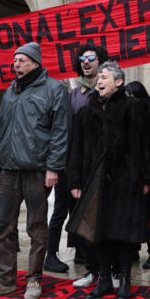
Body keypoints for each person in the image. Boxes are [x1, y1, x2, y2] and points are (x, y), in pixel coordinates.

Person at [0, 43, 70, 299]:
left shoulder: (55, 89)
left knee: (37, 227)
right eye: (15, 60)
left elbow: (61, 132)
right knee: (2, 226)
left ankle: (34, 279)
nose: (15, 64)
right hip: (9, 169)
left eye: (21, 60)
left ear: (36, 62)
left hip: (38, 170)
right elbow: (1, 128)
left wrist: (54, 166)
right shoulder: (10, 92)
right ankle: (5, 281)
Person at [67, 61, 150, 299]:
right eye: (99, 78)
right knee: (99, 232)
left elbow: (147, 145)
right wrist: (75, 180)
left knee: (124, 234)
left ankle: (125, 281)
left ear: (118, 82)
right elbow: (77, 148)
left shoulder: (135, 107)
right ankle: (104, 280)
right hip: (94, 180)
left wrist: (147, 177)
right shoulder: (87, 111)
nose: (100, 81)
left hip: (127, 180)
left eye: (105, 77)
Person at [50, 44, 110, 282]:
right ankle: (54, 254)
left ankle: (91, 256)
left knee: (93, 210)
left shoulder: (108, 88)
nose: (86, 62)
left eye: (91, 58)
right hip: (73, 161)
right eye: (82, 59)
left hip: (98, 161)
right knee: (63, 208)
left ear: (100, 61)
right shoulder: (74, 95)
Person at [125, 80, 150, 270]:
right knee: (132, 215)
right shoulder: (126, 115)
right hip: (131, 174)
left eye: (131, 96)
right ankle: (132, 249)